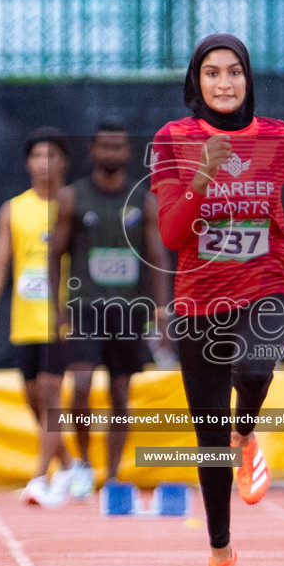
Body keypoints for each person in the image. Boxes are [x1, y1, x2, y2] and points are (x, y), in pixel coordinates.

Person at [150, 33, 284, 566]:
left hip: (268, 282)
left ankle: (248, 434)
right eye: (212, 73)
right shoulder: (174, 139)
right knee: (206, 440)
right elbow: (169, 235)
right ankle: (219, 555)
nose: (224, 83)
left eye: (234, 72)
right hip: (198, 297)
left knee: (255, 365)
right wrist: (202, 176)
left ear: (248, 80)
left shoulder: (279, 138)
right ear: (196, 82)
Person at [48, 119, 171, 494]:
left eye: (119, 147)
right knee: (81, 385)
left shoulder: (143, 200)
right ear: (93, 151)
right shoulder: (73, 197)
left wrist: (162, 312)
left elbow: (157, 256)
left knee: (121, 393)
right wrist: (58, 310)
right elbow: (54, 255)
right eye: (105, 146)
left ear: (128, 152)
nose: (112, 153)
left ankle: (113, 475)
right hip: (86, 306)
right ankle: (84, 462)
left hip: (129, 308)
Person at [0, 128, 82, 507]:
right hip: (26, 319)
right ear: (27, 163)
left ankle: (40, 477)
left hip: (64, 316)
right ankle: (70, 464)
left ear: (65, 162)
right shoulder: (14, 209)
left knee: (53, 393)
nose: (44, 163)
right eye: (37, 156)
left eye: (52, 155)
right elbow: (0, 261)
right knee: (33, 397)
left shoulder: (74, 204)